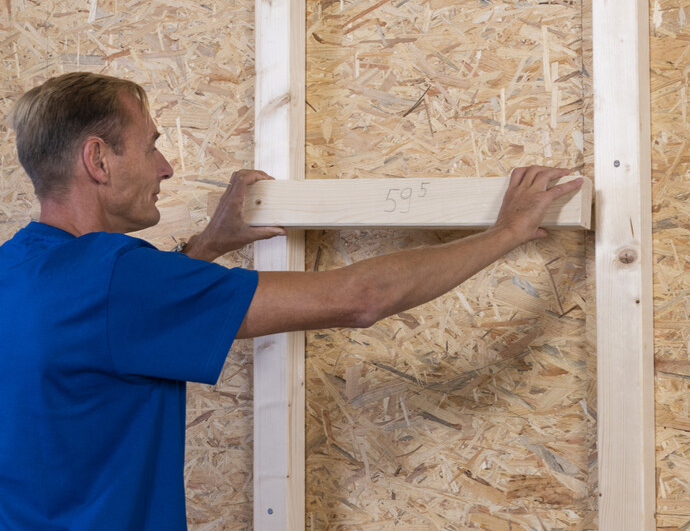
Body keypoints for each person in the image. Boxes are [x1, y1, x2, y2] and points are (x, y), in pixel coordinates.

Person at [0, 72, 583, 530]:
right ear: (98, 159)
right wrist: (504, 231)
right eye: (150, 146)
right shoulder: (116, 277)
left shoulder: (17, 269)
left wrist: (208, 246)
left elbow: (109, 320)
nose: (166, 167)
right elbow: (359, 298)